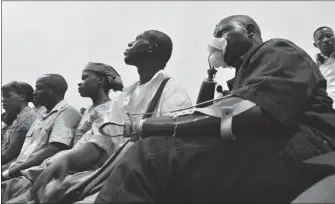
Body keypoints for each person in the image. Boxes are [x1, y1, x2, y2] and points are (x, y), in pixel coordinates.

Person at [91, 15, 335, 203]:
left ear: (249, 31)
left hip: (310, 144)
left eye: (223, 32)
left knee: (152, 153)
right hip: (278, 143)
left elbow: (248, 113)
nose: (216, 40)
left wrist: (149, 126)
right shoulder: (244, 74)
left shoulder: (277, 50)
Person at [18, 30, 192, 204]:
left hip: (141, 182)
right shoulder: (124, 98)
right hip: (110, 176)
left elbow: (171, 151)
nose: (130, 43)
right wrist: (67, 158)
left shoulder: (172, 91)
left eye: (138, 39)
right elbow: (101, 143)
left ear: (152, 48)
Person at [1, 63, 124, 203]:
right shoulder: (90, 110)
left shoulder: (107, 110)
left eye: (85, 78)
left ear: (101, 80)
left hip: (80, 172)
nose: (79, 83)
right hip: (58, 170)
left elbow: (95, 148)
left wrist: (62, 163)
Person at [1, 74, 81, 200]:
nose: (34, 92)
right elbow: (24, 154)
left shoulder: (67, 112)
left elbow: (54, 149)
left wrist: (8, 172)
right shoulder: (42, 115)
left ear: (56, 91)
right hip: (20, 175)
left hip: (33, 179)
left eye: (40, 88)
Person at [1, 82, 37, 168]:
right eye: (3, 97)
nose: (3, 100)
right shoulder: (18, 118)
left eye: (8, 96)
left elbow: (8, 156)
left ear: (22, 97)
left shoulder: (26, 118)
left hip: (13, 167)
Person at [313, 26, 335, 109]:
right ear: (315, 45)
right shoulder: (314, 68)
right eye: (320, 38)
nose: (325, 40)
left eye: (329, 36)